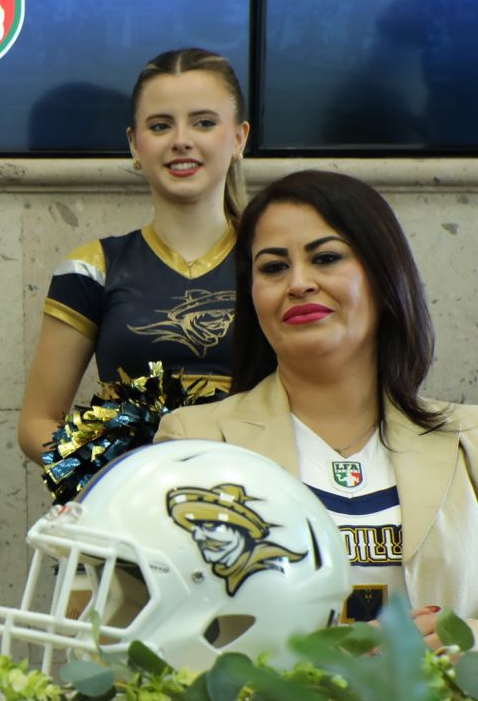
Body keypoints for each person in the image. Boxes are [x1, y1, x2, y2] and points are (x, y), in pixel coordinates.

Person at [155, 170, 478, 648]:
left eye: (326, 258)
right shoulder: (194, 442)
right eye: (273, 268)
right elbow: (159, 629)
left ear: (383, 275)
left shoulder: (470, 439)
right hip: (269, 699)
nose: (299, 283)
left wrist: (467, 641)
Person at [18, 48, 251, 462]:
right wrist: (120, 477)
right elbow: (38, 421)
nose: (181, 140)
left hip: (256, 491)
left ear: (239, 138)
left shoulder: (275, 264)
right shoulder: (91, 270)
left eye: (203, 122)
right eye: (160, 125)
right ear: (134, 145)